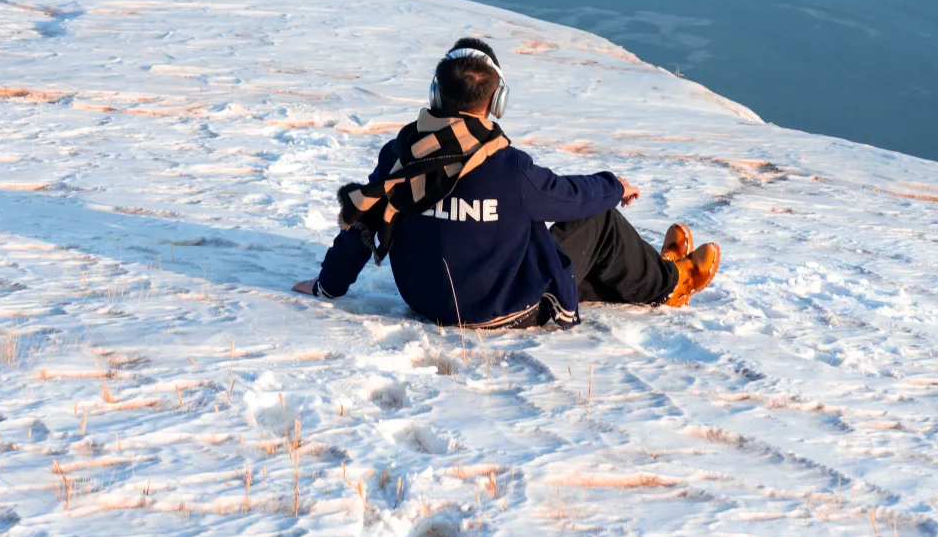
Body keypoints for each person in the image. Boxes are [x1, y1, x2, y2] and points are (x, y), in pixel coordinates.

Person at [293, 37, 720, 329]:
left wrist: (326, 285)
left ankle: (649, 269)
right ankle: (671, 284)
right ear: (497, 102)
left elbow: (362, 221)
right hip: (500, 310)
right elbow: (569, 198)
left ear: (435, 95)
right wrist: (614, 184)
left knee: (569, 258)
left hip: (428, 300)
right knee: (600, 221)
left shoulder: (400, 154)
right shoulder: (508, 167)